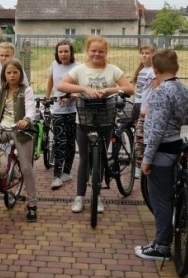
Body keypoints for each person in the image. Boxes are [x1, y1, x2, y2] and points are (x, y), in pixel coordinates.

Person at [57, 36, 134, 214]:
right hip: (84, 121)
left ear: (106, 52)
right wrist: (85, 89)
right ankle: (79, 197)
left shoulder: (113, 70)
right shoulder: (80, 70)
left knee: (100, 157)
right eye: (93, 50)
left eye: (101, 51)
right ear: (87, 51)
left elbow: (129, 89)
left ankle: (97, 196)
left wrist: (108, 90)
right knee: (84, 159)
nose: (97, 54)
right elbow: (62, 85)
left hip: (106, 120)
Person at [134, 49, 188, 261]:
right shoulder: (183, 88)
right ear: (176, 67)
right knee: (170, 193)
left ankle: (161, 247)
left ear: (155, 69)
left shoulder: (161, 92)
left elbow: (156, 130)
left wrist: (147, 159)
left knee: (161, 200)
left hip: (161, 149)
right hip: (176, 144)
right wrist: (177, 120)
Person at [0, 58, 38, 221]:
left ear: (20, 74)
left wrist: (26, 119)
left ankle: (32, 204)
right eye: (9, 72)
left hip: (21, 130)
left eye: (15, 72)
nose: (12, 75)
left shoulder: (26, 90)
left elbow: (31, 109)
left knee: (26, 167)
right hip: (3, 128)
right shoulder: (0, 91)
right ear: (4, 75)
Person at [46, 39, 79, 189]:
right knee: (60, 142)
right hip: (58, 111)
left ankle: (67, 172)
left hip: (73, 111)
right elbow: (50, 80)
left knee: (70, 142)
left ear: (71, 52)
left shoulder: (78, 67)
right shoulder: (54, 65)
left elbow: (80, 89)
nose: (63, 54)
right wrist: (47, 96)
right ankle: (57, 176)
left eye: (66, 51)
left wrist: (71, 97)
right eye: (60, 51)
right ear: (57, 53)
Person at [132, 44, 156, 179]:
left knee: (140, 140)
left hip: (146, 110)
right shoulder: (142, 70)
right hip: (138, 106)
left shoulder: (153, 72)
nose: (144, 55)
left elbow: (155, 91)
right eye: (142, 53)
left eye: (147, 53)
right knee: (136, 136)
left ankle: (139, 167)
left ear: (153, 55)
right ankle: (137, 162)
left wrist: (148, 108)